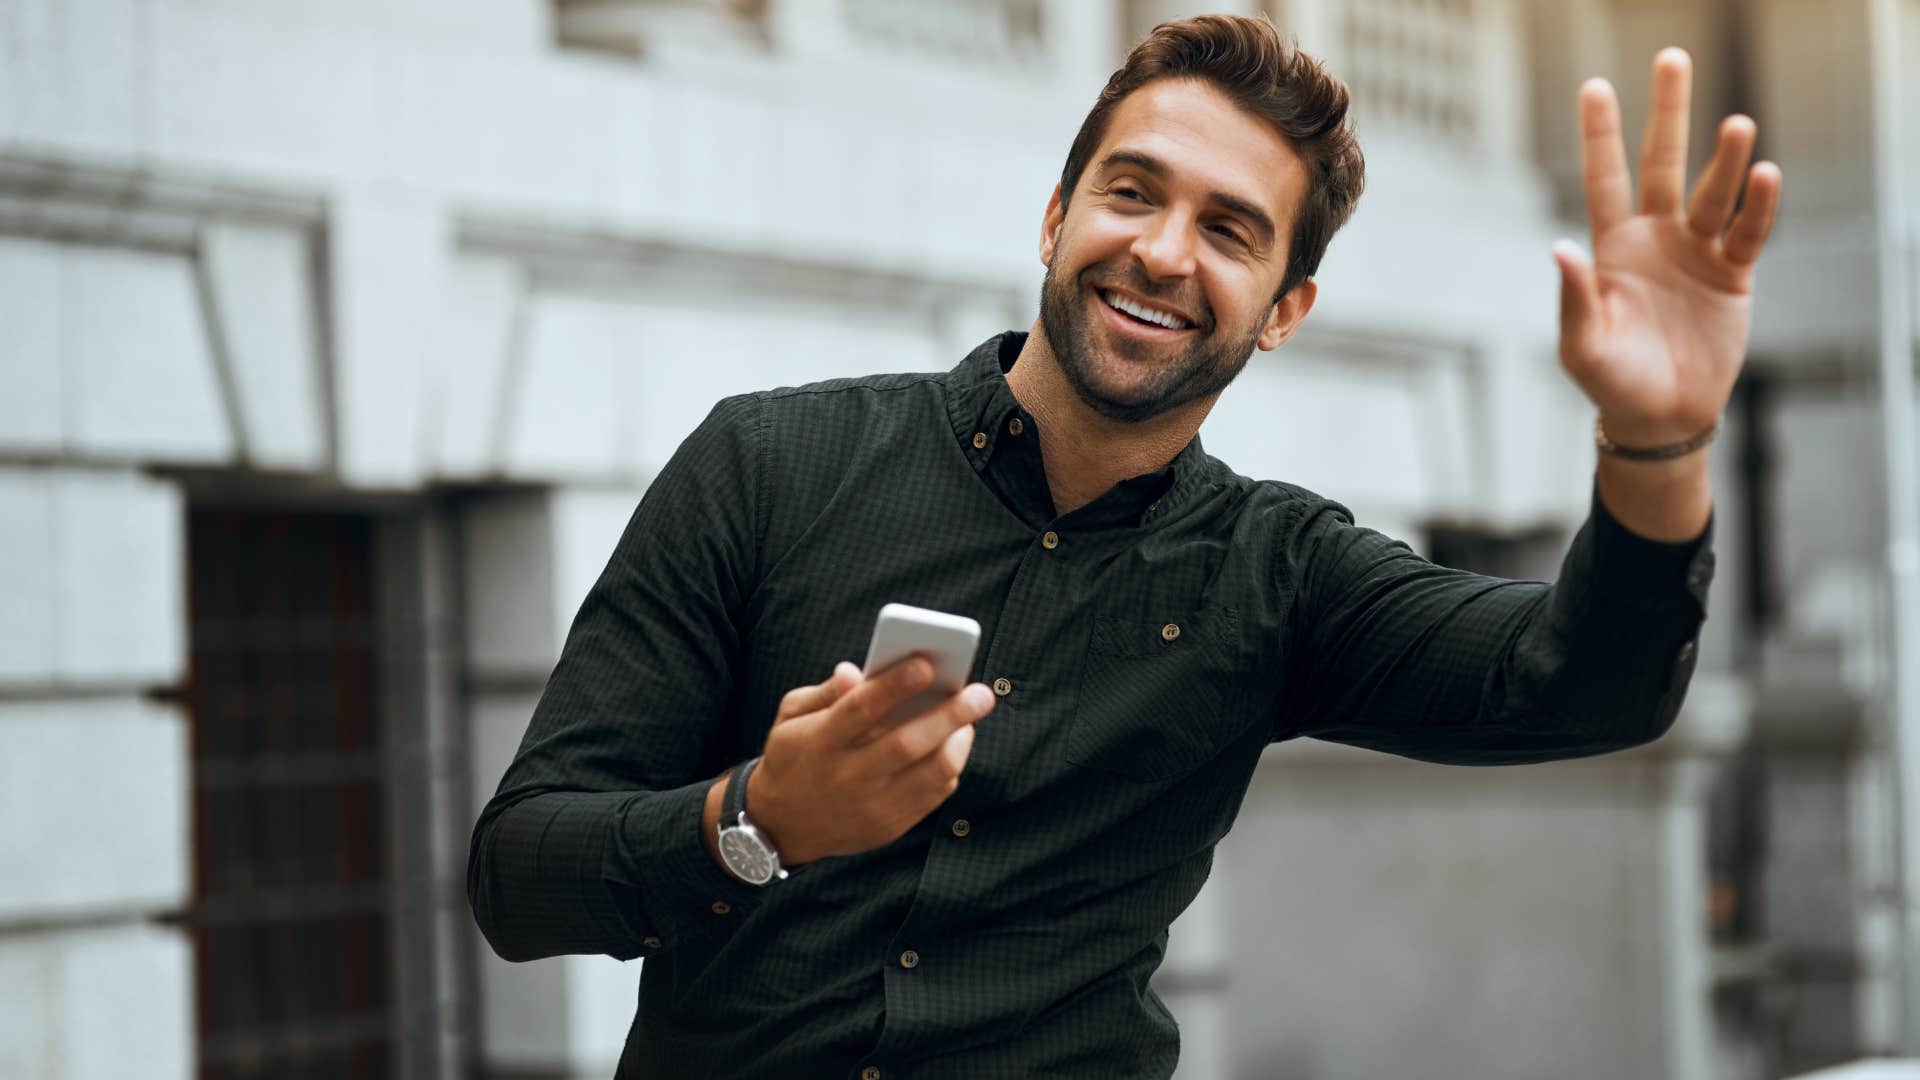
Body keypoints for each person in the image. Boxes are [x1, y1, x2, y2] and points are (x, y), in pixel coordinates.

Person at [467, 14, 1780, 1079]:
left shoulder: (1284, 579)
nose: (1159, 251)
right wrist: (757, 822)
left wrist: (1653, 442)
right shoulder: (766, 467)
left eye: (1228, 228)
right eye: (1131, 193)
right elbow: (519, 879)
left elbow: (1586, 680)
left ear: (1284, 310)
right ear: (1055, 219)